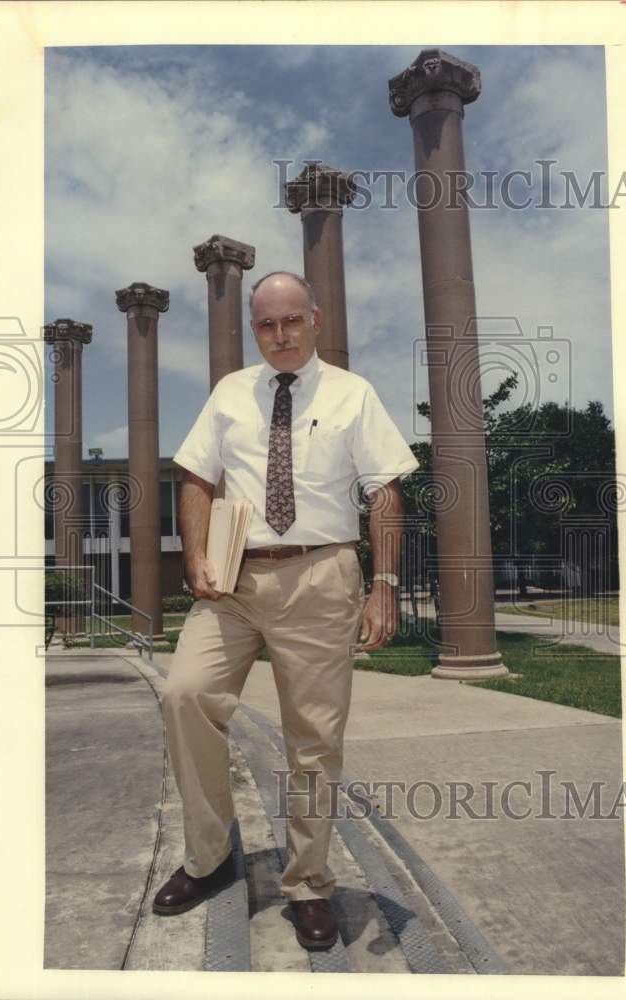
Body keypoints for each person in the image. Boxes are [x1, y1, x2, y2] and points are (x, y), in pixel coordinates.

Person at [152, 271, 419, 950]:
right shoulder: (229, 393)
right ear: (254, 329)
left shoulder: (352, 395)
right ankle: (209, 856)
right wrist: (193, 558)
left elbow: (384, 490)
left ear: (315, 319)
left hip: (320, 577)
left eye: (291, 321)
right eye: (266, 325)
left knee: (313, 741)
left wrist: (383, 583)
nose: (280, 335)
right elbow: (195, 477)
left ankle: (307, 884)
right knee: (186, 694)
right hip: (233, 581)